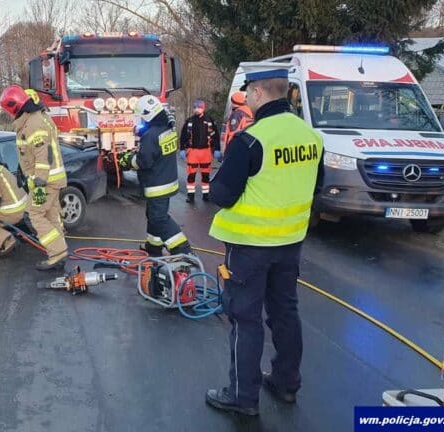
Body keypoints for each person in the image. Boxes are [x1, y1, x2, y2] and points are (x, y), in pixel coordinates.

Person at [204, 62, 324, 416]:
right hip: (290, 245)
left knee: (245, 318)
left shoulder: (251, 139)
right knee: (285, 312)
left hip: (250, 247)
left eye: (248, 95)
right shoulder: (309, 136)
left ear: (257, 93)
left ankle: (242, 398)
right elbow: (316, 187)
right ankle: (286, 383)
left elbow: (222, 194)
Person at [0, 84, 69, 271]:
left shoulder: (33, 123)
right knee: (51, 215)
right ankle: (59, 251)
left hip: (44, 182)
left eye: (8, 111)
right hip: (51, 179)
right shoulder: (37, 119)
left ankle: (57, 252)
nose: (8, 115)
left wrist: (39, 181)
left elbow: (42, 154)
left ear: (15, 107)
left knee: (35, 214)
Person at [118, 95, 192, 256]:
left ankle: (183, 249)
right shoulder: (167, 127)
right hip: (167, 179)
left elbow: (143, 162)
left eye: (142, 117)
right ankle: (153, 246)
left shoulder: (151, 136)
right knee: (152, 216)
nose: (141, 120)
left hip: (157, 184)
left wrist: (127, 159)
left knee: (159, 219)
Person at [179, 100, 217, 203]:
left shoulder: (209, 120)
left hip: (206, 151)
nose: (197, 109)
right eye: (195, 107)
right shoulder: (189, 121)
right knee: (191, 175)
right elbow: (183, 136)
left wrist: (216, 149)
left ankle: (206, 195)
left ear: (203, 108)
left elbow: (215, 136)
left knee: (205, 175)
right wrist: (182, 149)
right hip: (193, 151)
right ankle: (190, 196)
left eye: (199, 107)